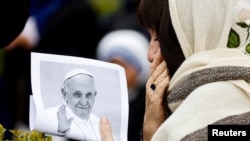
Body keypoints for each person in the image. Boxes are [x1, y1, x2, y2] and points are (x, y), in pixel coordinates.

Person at [100, 0, 250, 140]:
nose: (150, 54)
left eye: (158, 37)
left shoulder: (209, 111)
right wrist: (152, 131)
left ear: (199, 32)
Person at [96, 29, 150, 140]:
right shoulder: (99, 100)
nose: (117, 73)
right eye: (112, 66)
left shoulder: (148, 103)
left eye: (123, 66)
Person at [46, 68, 101, 141]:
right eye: (77, 94)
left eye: (88, 95)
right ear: (65, 94)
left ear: (94, 95)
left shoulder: (99, 123)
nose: (84, 102)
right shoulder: (48, 116)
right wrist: (61, 134)